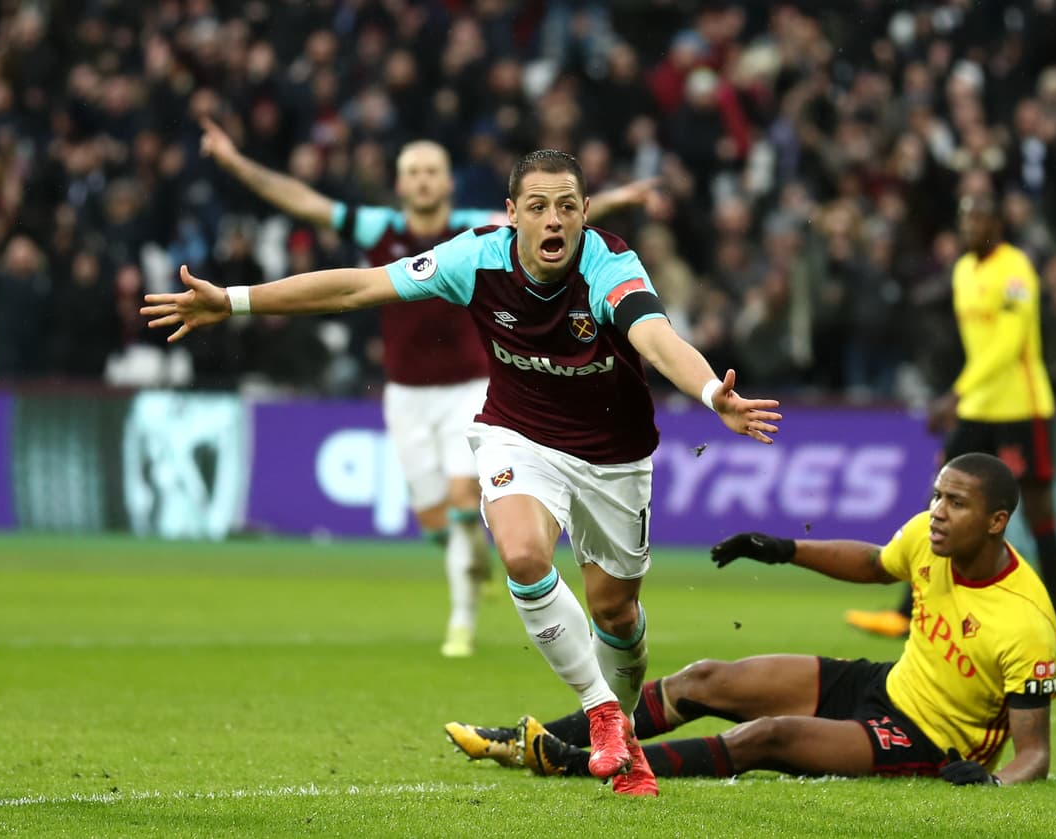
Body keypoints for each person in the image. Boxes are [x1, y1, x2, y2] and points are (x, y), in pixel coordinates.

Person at [142, 148, 782, 797]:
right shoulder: (475, 256)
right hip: (519, 433)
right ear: (512, 215)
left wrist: (709, 393)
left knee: (615, 612)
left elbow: (654, 336)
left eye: (567, 205)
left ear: (586, 212)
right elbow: (357, 286)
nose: (553, 219)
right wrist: (235, 300)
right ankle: (603, 710)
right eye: (538, 207)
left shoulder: (609, 264)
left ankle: (624, 734)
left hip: (614, 458)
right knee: (524, 554)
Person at [199, 117, 659, 658]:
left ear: (447, 183)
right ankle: (475, 557)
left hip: (474, 388)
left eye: (432, 172)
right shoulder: (380, 230)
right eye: (412, 172)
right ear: (400, 184)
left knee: (465, 501)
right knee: (437, 521)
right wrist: (234, 162)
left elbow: (552, 219)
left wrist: (617, 200)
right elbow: (304, 204)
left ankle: (463, 623)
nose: (421, 181)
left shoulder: (480, 228)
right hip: (406, 395)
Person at [445, 453, 1056, 786]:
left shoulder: (1024, 620)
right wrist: (784, 548)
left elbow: (1035, 755)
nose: (937, 513)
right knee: (707, 679)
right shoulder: (929, 538)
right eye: (936, 496)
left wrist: (993, 783)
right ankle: (537, 736)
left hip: (928, 740)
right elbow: (875, 564)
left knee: (768, 736)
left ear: (997, 521)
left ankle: (574, 764)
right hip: (885, 685)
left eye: (956, 502)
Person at [846, 192, 1056, 646]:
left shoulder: (1015, 272)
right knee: (942, 501)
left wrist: (955, 393)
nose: (970, 226)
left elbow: (1008, 346)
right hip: (976, 408)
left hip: (1019, 407)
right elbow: (973, 345)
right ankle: (908, 611)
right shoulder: (963, 271)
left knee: (1037, 510)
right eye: (965, 218)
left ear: (997, 223)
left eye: (980, 218)